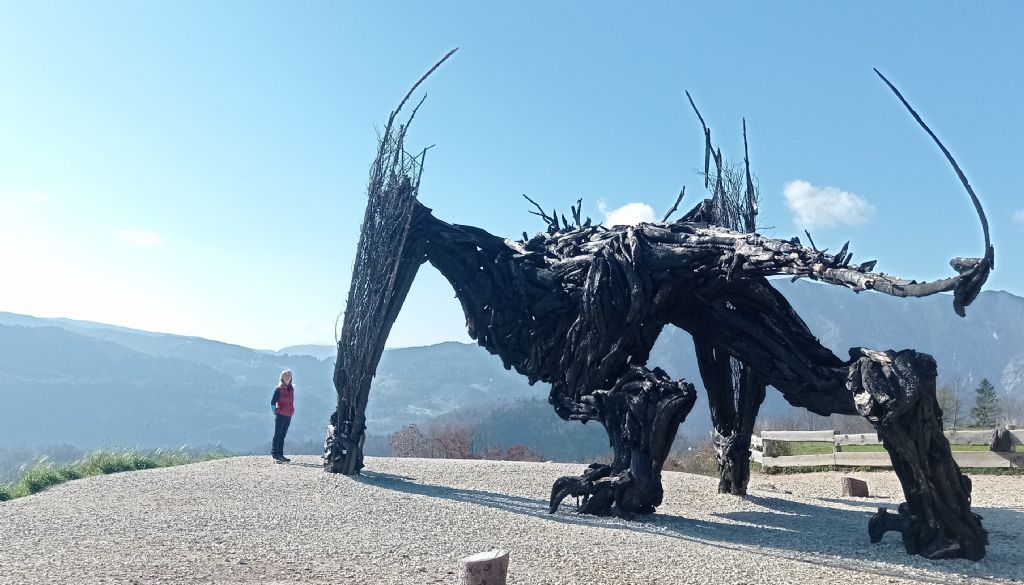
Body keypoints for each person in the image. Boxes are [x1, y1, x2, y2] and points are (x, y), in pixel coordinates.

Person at [270, 369, 295, 463]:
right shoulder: (278, 389)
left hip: (289, 415)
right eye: (286, 375)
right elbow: (272, 403)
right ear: (282, 377)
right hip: (280, 415)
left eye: (289, 375)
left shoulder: (291, 389)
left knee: (283, 435)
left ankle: (280, 454)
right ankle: (275, 454)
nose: (288, 377)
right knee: (277, 435)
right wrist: (275, 411)